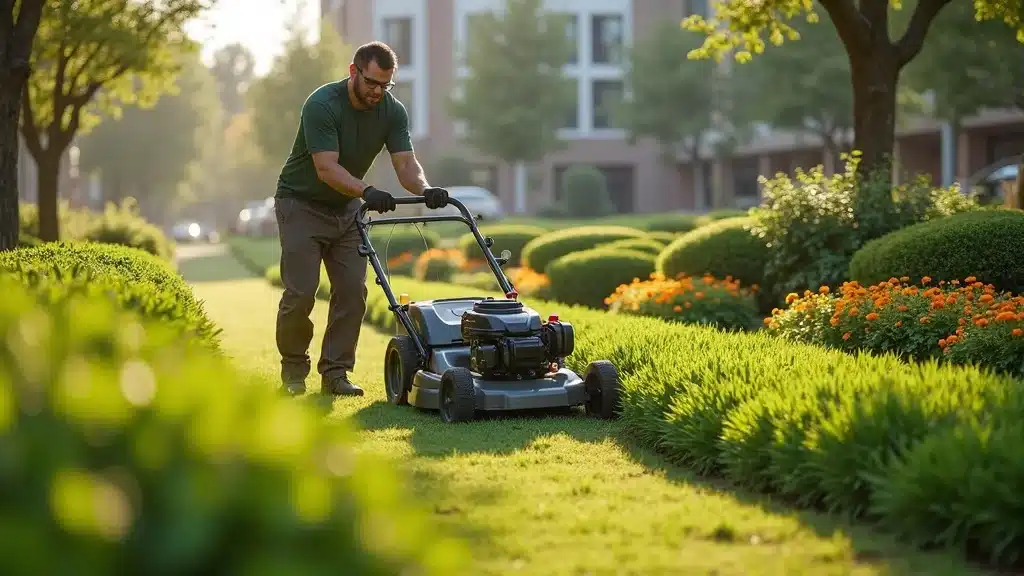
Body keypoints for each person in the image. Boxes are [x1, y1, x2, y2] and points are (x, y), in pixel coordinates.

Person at [273, 41, 449, 397]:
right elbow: (326, 168)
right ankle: (293, 373)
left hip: (347, 210)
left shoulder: (392, 111)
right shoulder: (322, 104)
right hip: (300, 205)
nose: (377, 92)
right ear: (354, 71)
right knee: (301, 293)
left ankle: (335, 375)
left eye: (386, 85)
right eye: (371, 83)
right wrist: (367, 191)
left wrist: (425, 188)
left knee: (353, 292)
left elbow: (405, 164)